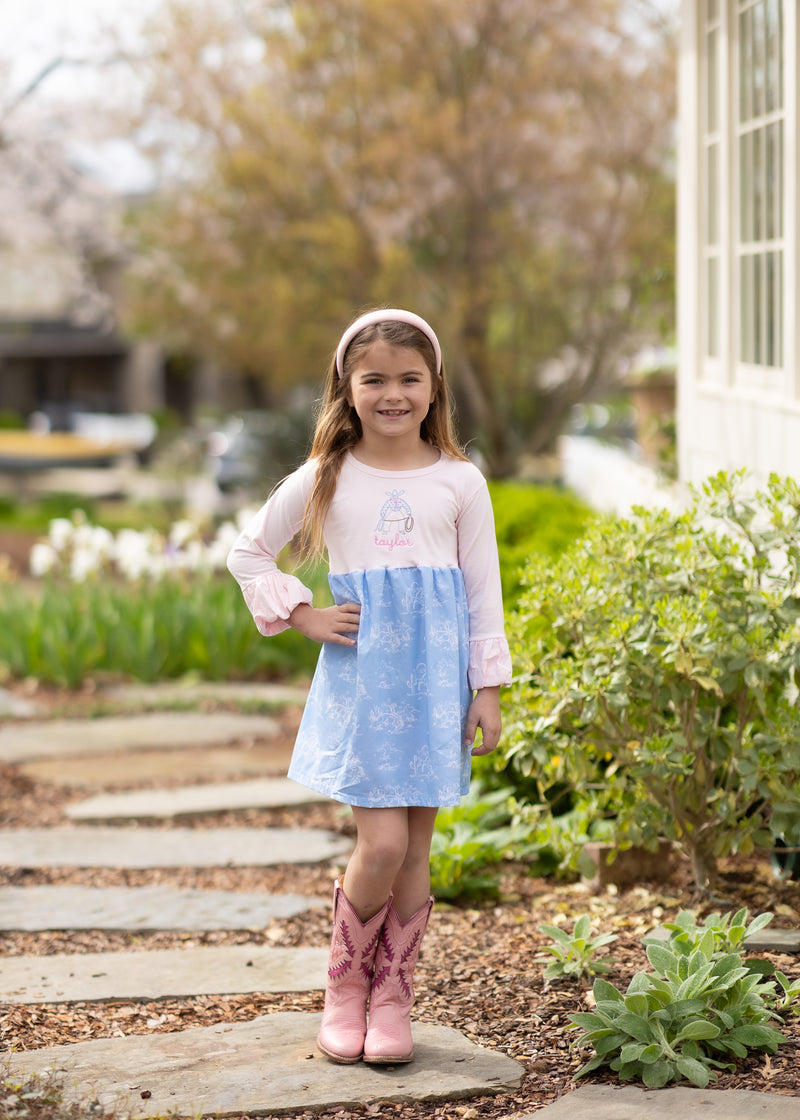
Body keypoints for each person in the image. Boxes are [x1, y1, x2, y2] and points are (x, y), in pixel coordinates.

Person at [227, 307, 512, 1065]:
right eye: (375, 379)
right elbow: (248, 553)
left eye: (409, 379)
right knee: (382, 844)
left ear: (434, 386)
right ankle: (344, 988)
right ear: (346, 389)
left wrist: (488, 689)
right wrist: (302, 613)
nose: (393, 394)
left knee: (417, 852)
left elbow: (484, 593)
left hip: (435, 685)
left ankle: (393, 999)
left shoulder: (460, 481)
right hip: (367, 682)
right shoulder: (326, 475)